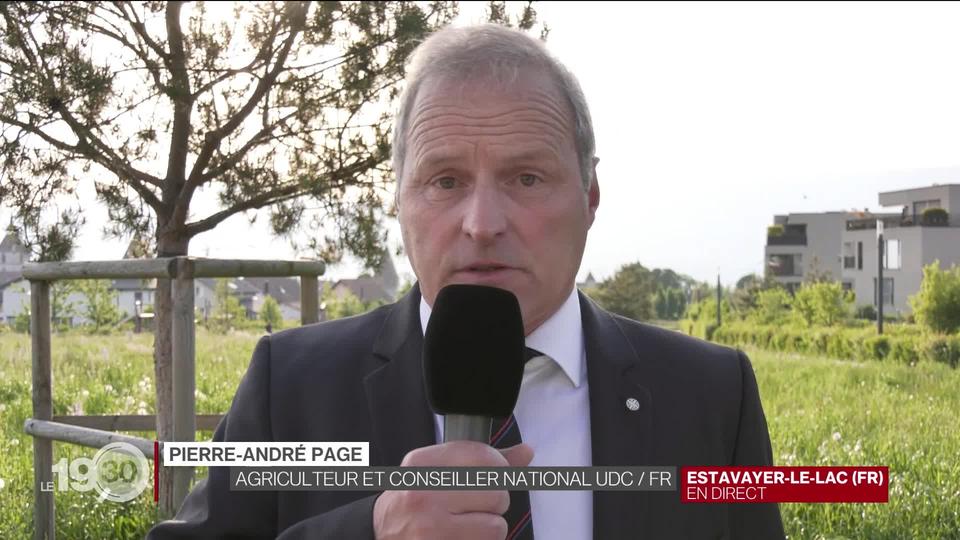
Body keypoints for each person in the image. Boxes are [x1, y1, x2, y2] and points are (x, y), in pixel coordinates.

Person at [148, 24, 784, 540]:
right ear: (399, 200)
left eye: (526, 178)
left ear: (590, 196)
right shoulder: (290, 388)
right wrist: (368, 530)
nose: (482, 224)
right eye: (446, 181)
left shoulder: (709, 394)